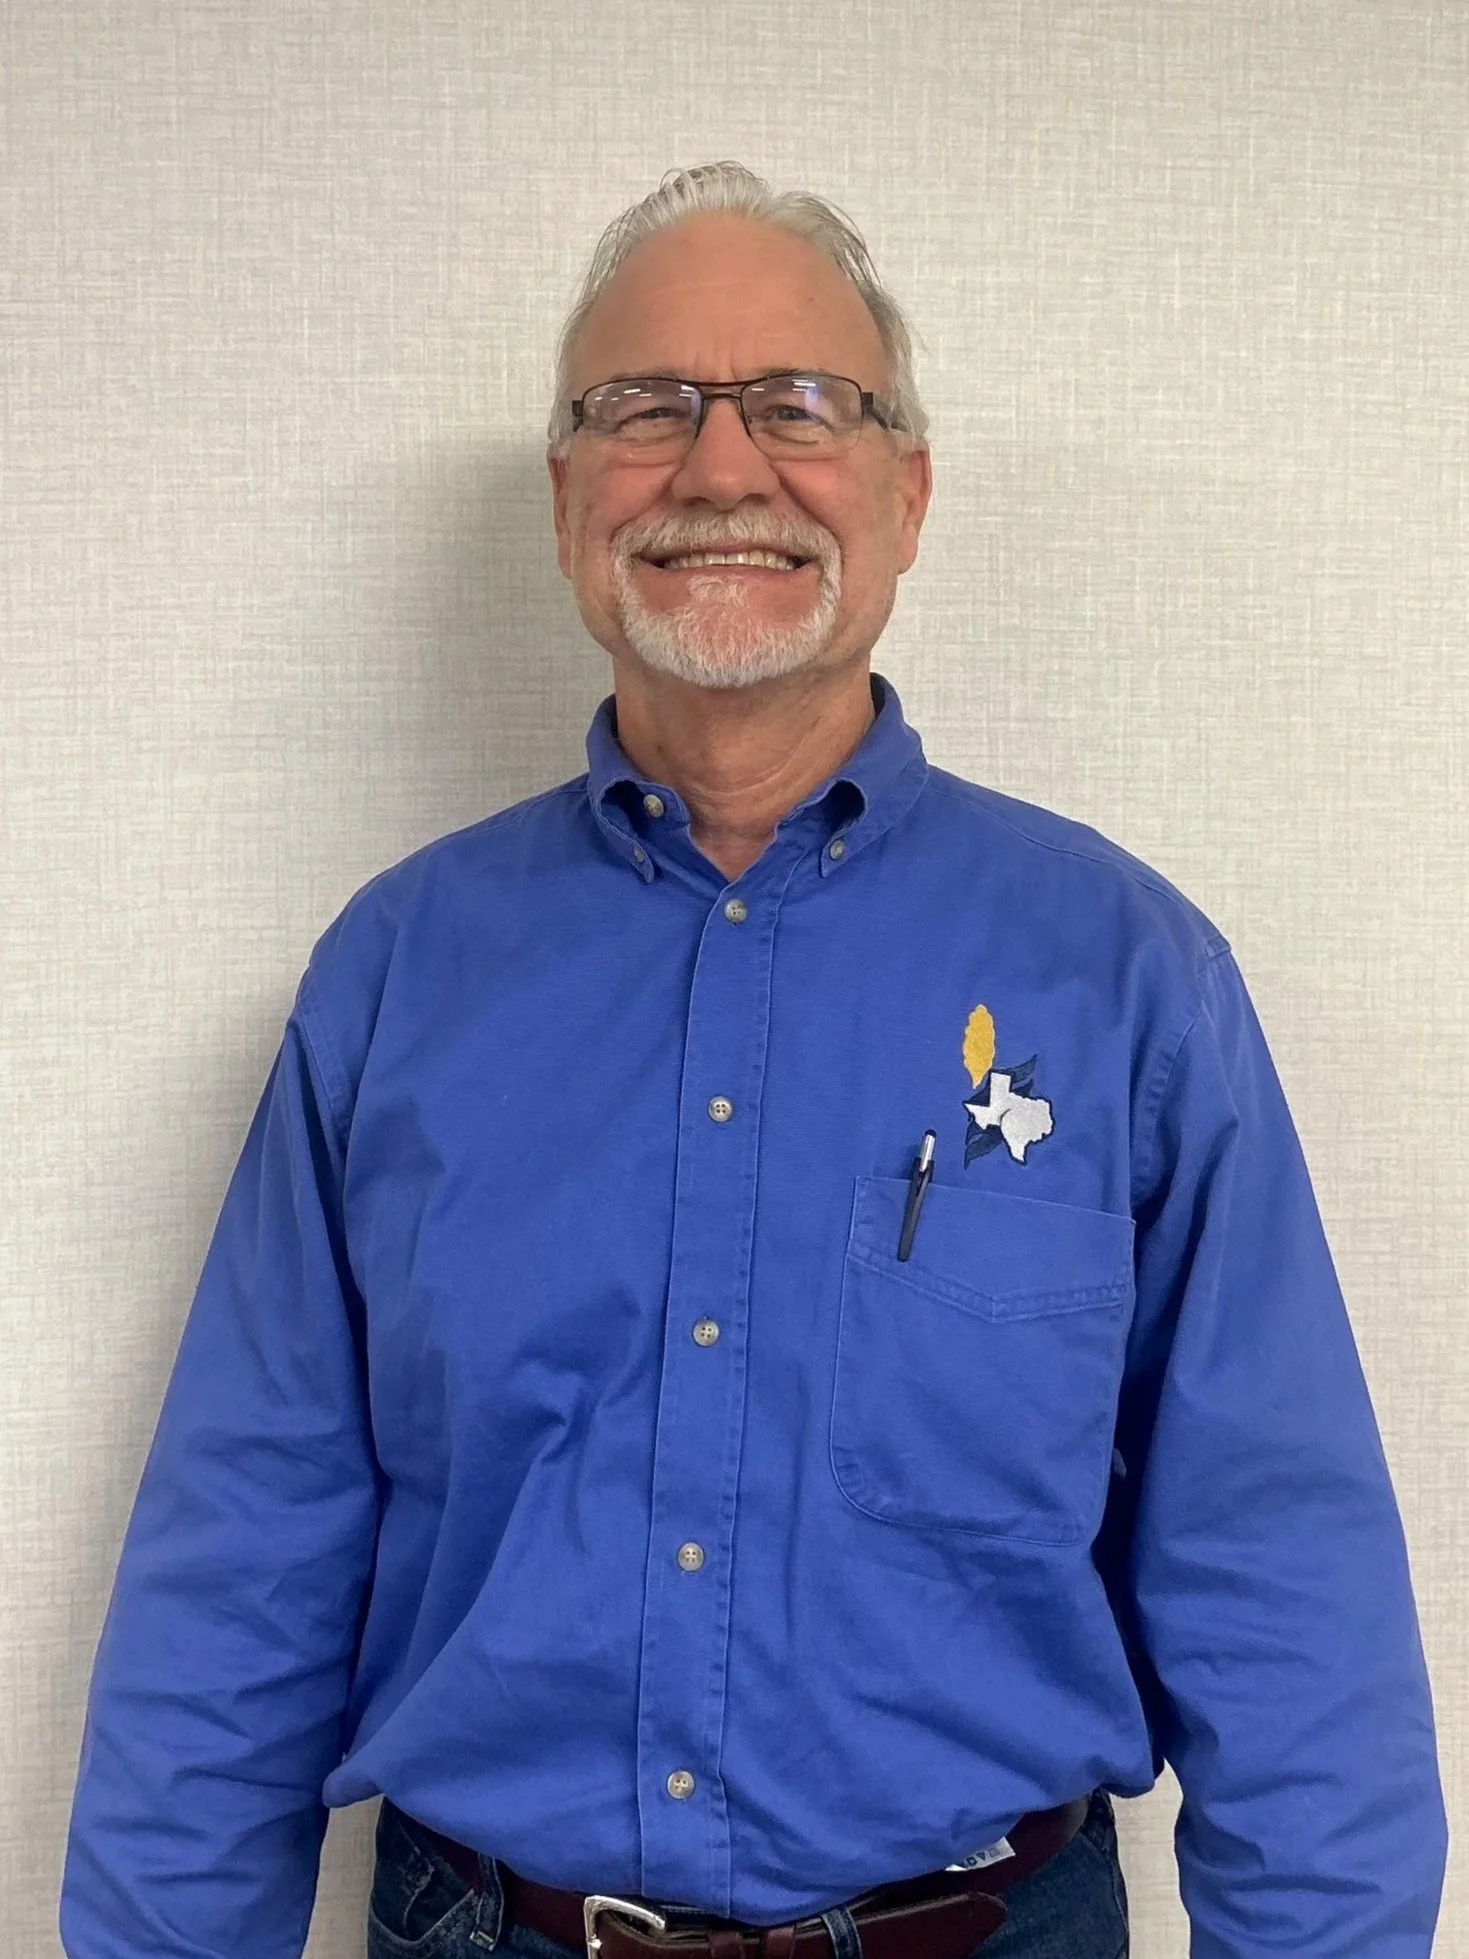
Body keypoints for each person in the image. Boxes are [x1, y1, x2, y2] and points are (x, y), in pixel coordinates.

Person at [62, 162, 1445, 1959]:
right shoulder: (395, 978)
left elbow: (1279, 1569)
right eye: (645, 407)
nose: (721, 465)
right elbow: (244, 1554)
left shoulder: (1127, 980)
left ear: (906, 492)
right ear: (570, 499)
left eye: (800, 404)